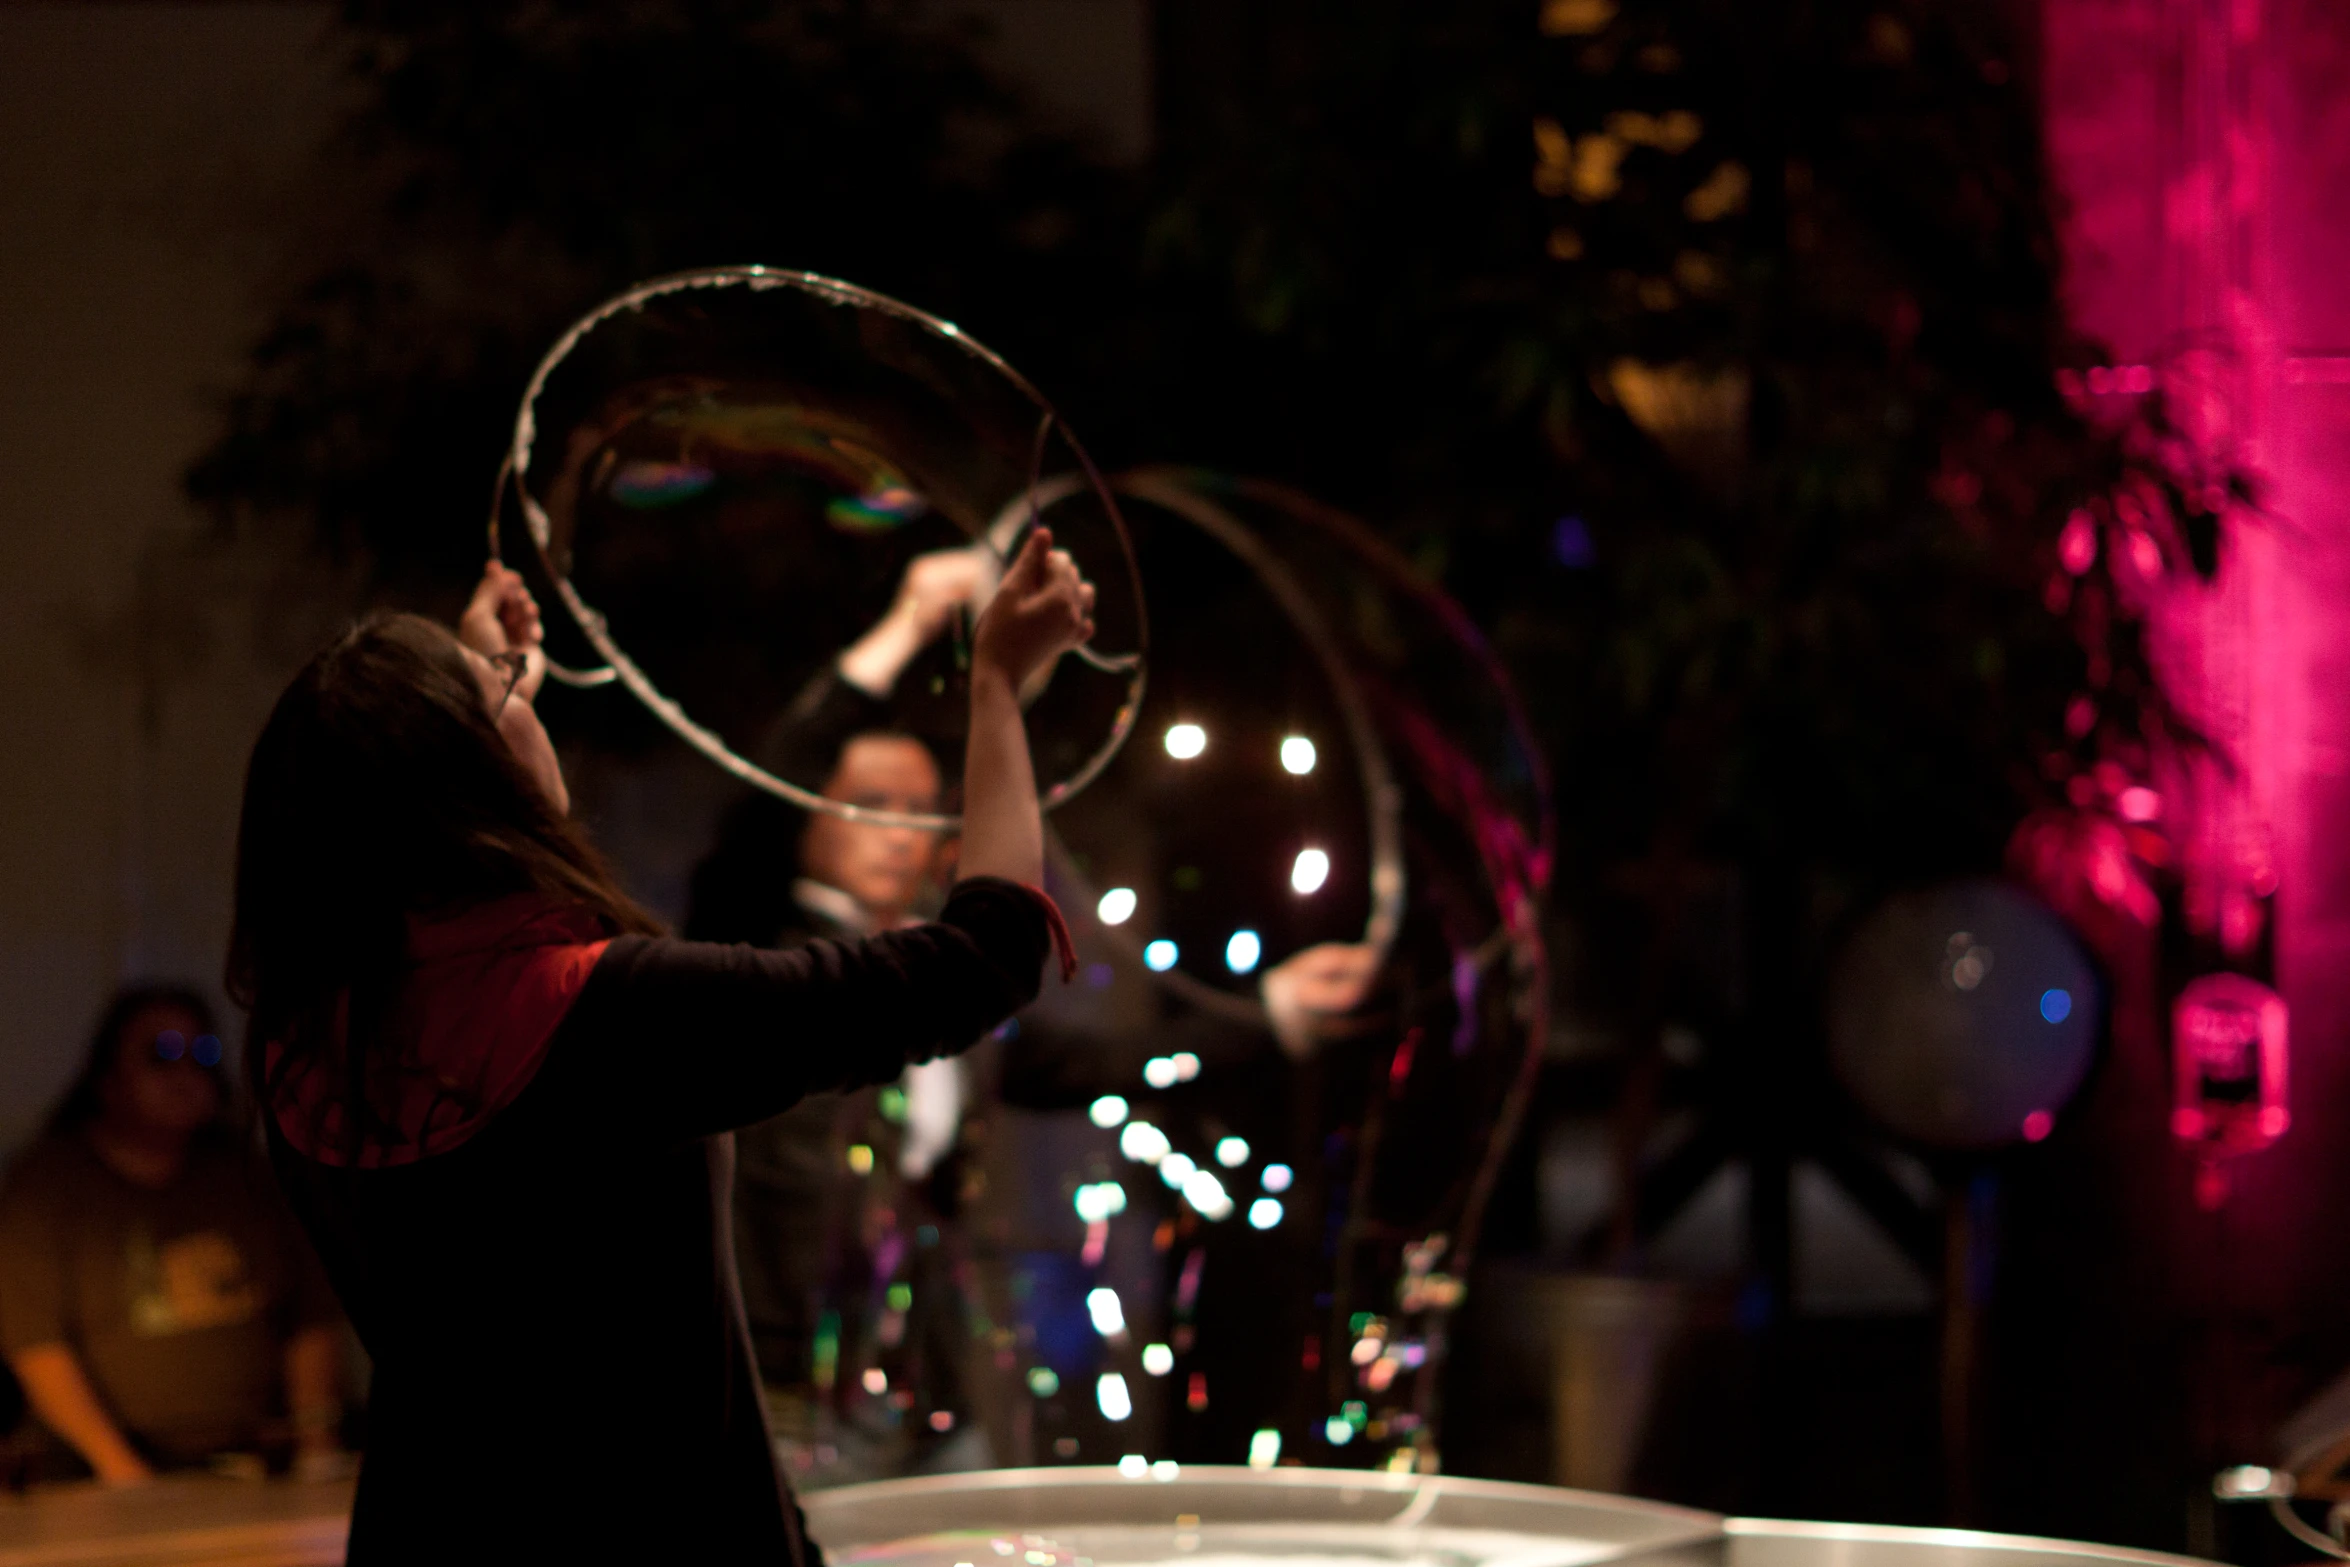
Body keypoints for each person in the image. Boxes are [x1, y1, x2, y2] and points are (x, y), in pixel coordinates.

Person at [232, 529, 1092, 1563]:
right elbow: (980, 960)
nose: (522, 698)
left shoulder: (302, 1042)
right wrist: (998, 684)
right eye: (503, 698)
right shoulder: (607, 1011)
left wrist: (468, 701)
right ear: (476, 775)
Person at [0, 984, 344, 1483]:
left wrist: (316, 1445)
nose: (186, 1073)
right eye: (161, 1054)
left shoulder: (249, 1175)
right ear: (107, 1077)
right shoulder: (45, 1187)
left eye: (202, 1053)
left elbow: (310, 1318)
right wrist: (124, 1474)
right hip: (94, 1474)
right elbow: (36, 1346)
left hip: (254, 1463)